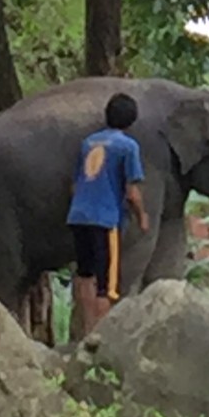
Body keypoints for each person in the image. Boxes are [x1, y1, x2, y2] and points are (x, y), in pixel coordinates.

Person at [66, 91, 151, 336]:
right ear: (131, 121)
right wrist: (142, 216)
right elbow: (132, 191)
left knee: (85, 275)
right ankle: (99, 338)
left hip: (78, 215)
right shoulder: (128, 146)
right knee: (106, 284)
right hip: (104, 219)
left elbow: (75, 184)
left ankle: (87, 330)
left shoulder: (88, 143)